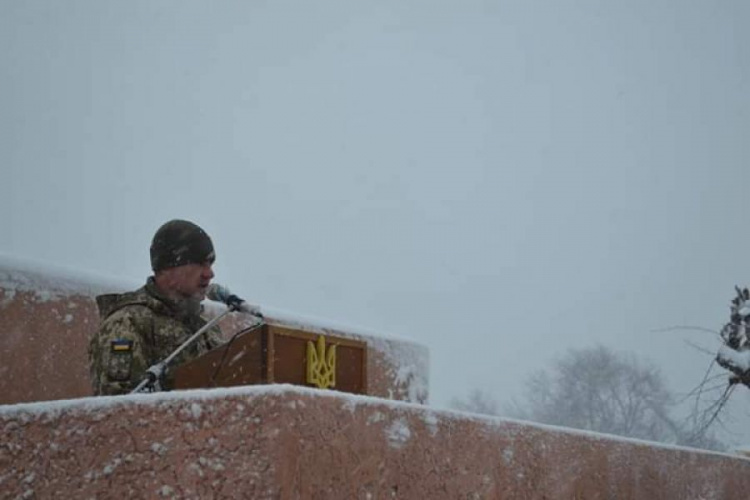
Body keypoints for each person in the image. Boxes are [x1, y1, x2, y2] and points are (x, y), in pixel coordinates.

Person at [89, 219, 224, 395]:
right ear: (170, 267)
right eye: (200, 264)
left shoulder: (207, 329)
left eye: (211, 264)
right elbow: (120, 408)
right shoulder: (127, 323)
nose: (209, 274)